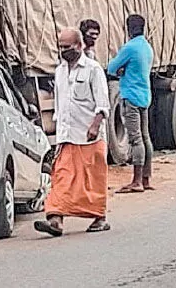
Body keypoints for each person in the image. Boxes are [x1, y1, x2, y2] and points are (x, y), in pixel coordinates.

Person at [34, 28, 111, 236]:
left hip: (88, 137)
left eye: (67, 47)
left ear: (79, 46)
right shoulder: (59, 71)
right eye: (60, 47)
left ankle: (99, 218)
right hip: (67, 137)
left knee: (92, 180)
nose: (63, 51)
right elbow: (60, 105)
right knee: (61, 176)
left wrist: (95, 125)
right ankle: (55, 219)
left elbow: (103, 103)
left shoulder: (93, 69)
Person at [108, 15, 155, 193]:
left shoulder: (130, 47)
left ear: (128, 28)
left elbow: (112, 68)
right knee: (145, 137)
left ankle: (136, 181)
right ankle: (146, 178)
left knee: (135, 139)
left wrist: (121, 70)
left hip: (131, 96)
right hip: (144, 96)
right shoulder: (147, 47)